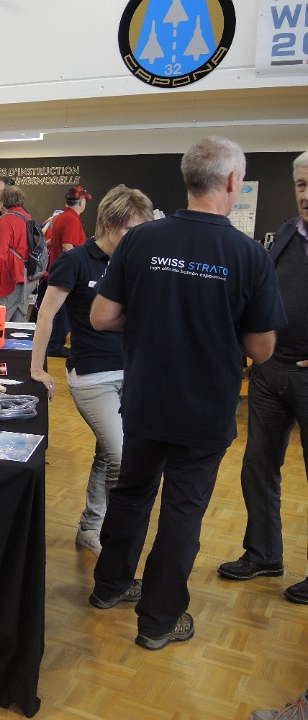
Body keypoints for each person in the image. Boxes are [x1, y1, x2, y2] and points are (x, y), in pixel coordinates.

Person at [87, 136, 286, 652]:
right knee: (182, 511)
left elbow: (102, 316)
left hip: (145, 400)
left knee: (131, 494)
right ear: (233, 182)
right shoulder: (249, 255)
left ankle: (109, 587)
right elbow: (262, 349)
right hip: (204, 410)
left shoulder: (140, 241)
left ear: (187, 179)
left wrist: (154, 315)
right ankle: (158, 621)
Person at [30, 185, 154, 557]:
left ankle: (90, 529)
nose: (136, 238)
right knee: (121, 457)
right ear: (109, 225)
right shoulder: (76, 261)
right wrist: (37, 368)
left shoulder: (135, 261)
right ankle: (119, 548)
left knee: (107, 454)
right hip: (92, 376)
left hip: (132, 374)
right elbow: (46, 315)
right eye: (130, 230)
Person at [217, 150, 308, 605]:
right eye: (302, 185)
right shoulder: (289, 232)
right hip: (272, 370)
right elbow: (262, 293)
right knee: (258, 466)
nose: (306, 195)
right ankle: (264, 553)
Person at [41, 185, 92, 357]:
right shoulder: (72, 219)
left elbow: (50, 242)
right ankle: (55, 346)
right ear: (81, 202)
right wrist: (80, 268)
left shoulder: (60, 217)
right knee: (64, 313)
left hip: (56, 269)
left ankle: (55, 344)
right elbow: (67, 246)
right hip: (67, 273)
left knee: (59, 311)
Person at [0, 185, 33, 322]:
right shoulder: (26, 217)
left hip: (11, 278)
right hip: (28, 277)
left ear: (3, 201)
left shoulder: (5, 220)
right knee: (18, 322)